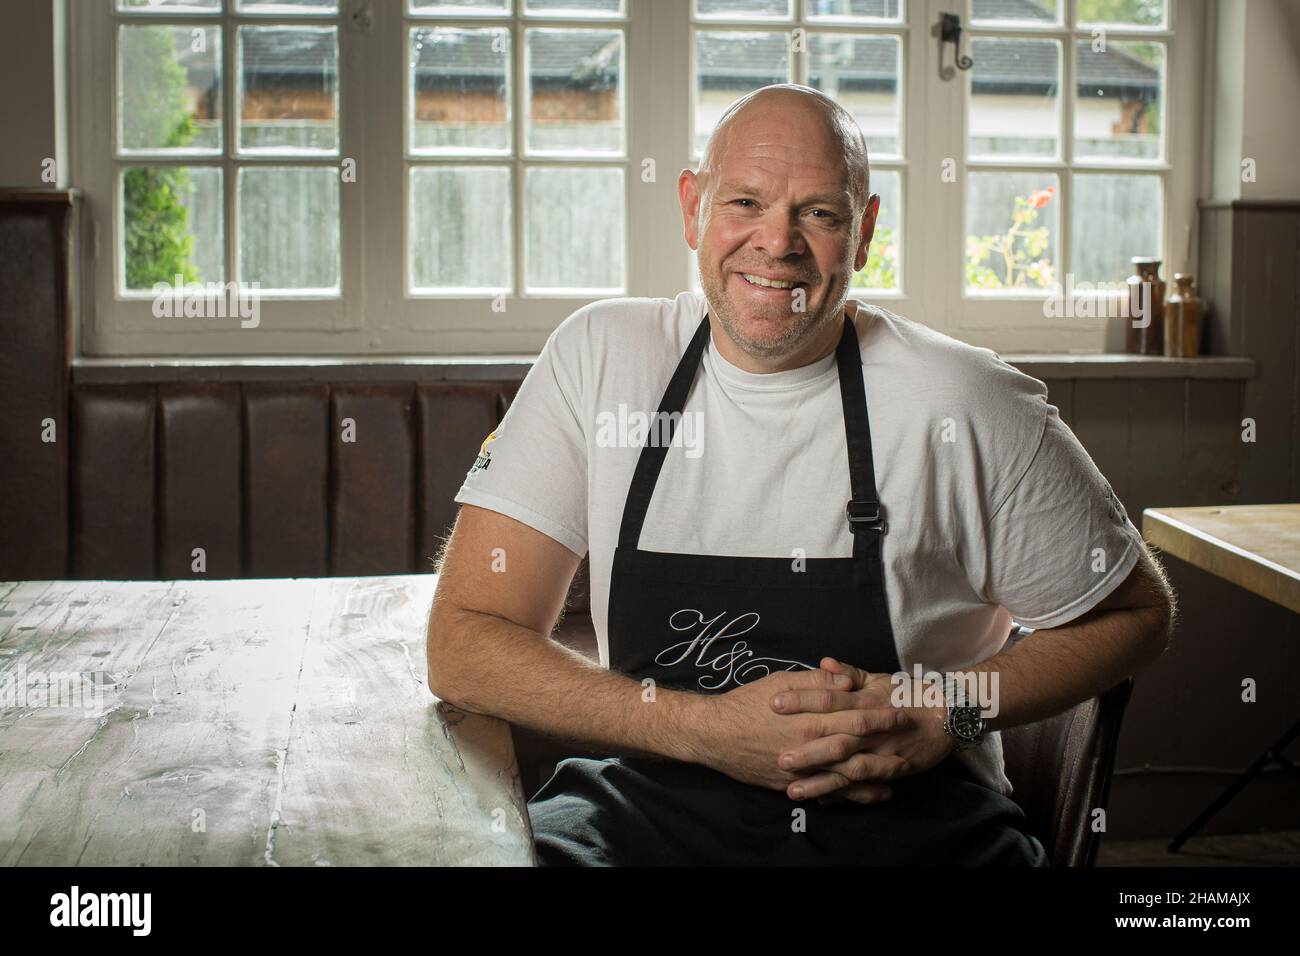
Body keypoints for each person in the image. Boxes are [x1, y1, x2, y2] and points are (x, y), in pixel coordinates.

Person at [426, 84, 1175, 866]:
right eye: (744, 201)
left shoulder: (964, 401)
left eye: (819, 212)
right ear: (692, 207)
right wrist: (699, 729)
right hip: (644, 808)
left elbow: (1135, 614)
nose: (776, 243)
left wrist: (942, 711)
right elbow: (464, 640)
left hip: (913, 822)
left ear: (865, 232)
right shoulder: (601, 359)